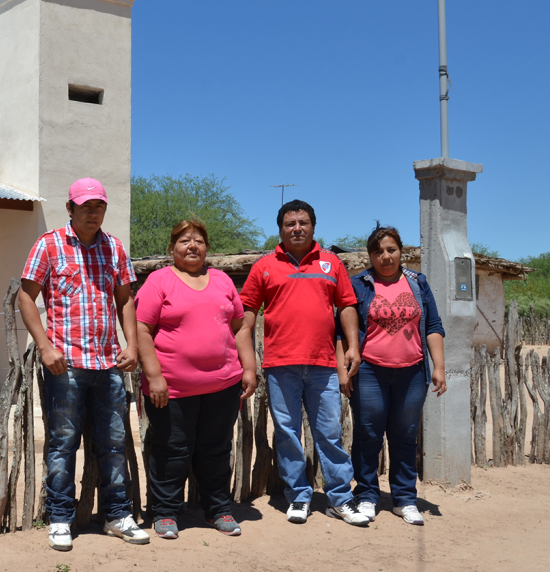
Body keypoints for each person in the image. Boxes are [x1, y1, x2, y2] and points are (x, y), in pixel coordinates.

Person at [18, 177, 149, 551]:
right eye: (86, 206)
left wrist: (132, 345)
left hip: (108, 362)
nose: (93, 213)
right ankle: (60, 518)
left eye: (99, 207)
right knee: (63, 444)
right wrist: (44, 347)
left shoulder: (115, 249)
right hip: (67, 364)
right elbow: (26, 298)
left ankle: (117, 515)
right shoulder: (49, 246)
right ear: (70, 209)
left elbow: (125, 299)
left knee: (113, 442)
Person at [236, 200, 369, 527]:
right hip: (281, 366)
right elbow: (247, 313)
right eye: (290, 223)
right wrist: (247, 361)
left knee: (329, 432)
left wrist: (352, 345)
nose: (297, 228)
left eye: (303, 222)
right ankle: (298, 496)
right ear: (280, 228)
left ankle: (340, 497)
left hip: (323, 365)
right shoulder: (264, 266)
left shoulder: (331, 263)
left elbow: (347, 305)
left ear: (313, 226)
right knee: (287, 433)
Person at [134, 219, 257, 539]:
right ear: (172, 248)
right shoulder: (159, 282)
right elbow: (141, 329)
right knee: (172, 449)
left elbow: (241, 326)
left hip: (223, 384)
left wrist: (249, 367)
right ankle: (164, 513)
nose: (192, 246)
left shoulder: (222, 281)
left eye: (198, 241)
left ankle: (218, 509)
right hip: (171, 388)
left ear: (207, 247)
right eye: (184, 241)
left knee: (216, 448)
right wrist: (154, 375)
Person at [339, 224, 446, 526]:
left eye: (391, 250)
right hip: (370, 371)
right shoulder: (359, 283)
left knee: (404, 437)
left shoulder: (417, 283)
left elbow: (434, 326)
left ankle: (404, 499)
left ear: (401, 251)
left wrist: (438, 366)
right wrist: (343, 370)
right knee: (368, 435)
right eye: (378, 252)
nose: (385, 256)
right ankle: (367, 496)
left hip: (412, 372)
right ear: (370, 256)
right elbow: (341, 330)